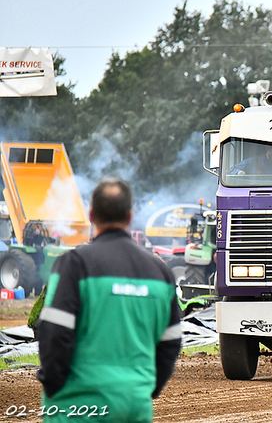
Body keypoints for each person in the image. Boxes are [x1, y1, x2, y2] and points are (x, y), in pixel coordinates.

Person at [36, 177, 181, 423]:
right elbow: (171, 342)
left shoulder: (75, 264)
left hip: (79, 405)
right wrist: (144, 389)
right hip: (135, 406)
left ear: (91, 215)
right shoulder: (160, 271)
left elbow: (54, 333)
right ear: (129, 217)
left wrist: (53, 385)